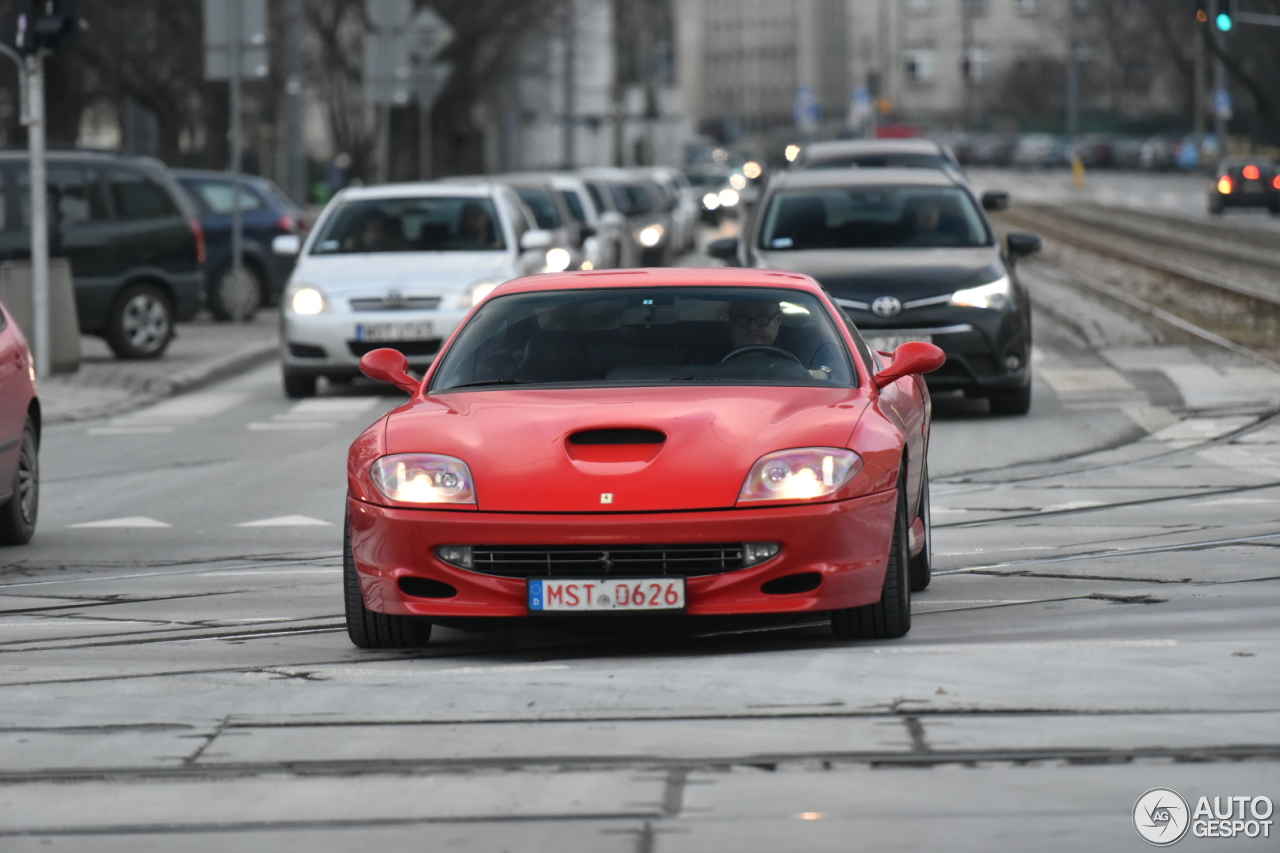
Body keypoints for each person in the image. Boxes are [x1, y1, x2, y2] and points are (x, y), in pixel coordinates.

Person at [716, 298, 839, 381]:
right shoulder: (703, 353)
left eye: (762, 317)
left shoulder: (807, 347)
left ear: (778, 320)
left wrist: (823, 373)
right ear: (730, 320)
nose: (752, 327)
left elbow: (840, 368)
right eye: (742, 317)